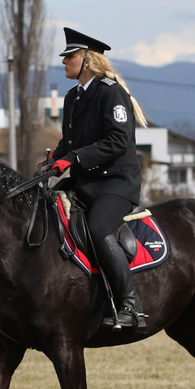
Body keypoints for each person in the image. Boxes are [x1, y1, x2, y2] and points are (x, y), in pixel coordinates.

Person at [43, 27, 148, 331]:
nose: (64, 62)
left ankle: (131, 305)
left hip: (116, 182)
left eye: (69, 57)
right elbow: (69, 143)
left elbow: (118, 141)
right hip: (84, 182)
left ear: (86, 61)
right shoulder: (73, 96)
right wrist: (53, 159)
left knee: (100, 229)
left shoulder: (111, 93)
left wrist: (73, 159)